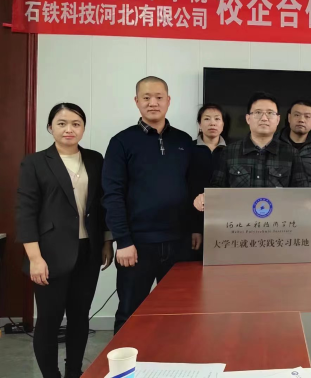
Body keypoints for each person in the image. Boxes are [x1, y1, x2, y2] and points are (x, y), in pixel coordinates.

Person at [16, 103, 113, 378]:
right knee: (49, 320)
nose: (69, 129)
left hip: (88, 250)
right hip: (49, 254)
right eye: (61, 123)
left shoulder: (95, 159)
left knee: (80, 317)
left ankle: (74, 372)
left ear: (83, 128)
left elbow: (103, 204)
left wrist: (107, 241)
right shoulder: (35, 162)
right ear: (50, 127)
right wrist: (35, 258)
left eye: (76, 124)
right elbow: (25, 212)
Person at [102, 76, 198, 334]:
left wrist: (194, 230)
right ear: (136, 101)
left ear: (168, 101)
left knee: (179, 313)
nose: (153, 103)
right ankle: (127, 361)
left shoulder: (184, 141)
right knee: (130, 314)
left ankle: (173, 360)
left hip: (179, 243)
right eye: (146, 97)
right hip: (137, 245)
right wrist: (123, 240)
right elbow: (112, 194)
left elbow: (192, 190)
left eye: (159, 97)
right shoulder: (121, 142)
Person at [187, 104, 226, 260]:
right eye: (207, 119)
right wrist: (194, 228)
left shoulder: (232, 151)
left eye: (217, 119)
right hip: (194, 218)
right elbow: (186, 189)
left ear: (223, 124)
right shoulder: (188, 149)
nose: (212, 123)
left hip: (225, 222)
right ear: (199, 124)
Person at [276, 99, 311, 183]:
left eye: (307, 116)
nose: (301, 120)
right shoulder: (272, 144)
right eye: (297, 115)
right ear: (289, 118)